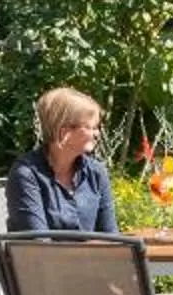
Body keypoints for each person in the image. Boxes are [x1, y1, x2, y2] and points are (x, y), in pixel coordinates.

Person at [7, 86, 116, 234]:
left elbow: (111, 236)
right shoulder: (27, 175)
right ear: (64, 132)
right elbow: (37, 244)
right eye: (91, 127)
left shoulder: (96, 172)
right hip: (42, 257)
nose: (97, 134)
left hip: (90, 256)